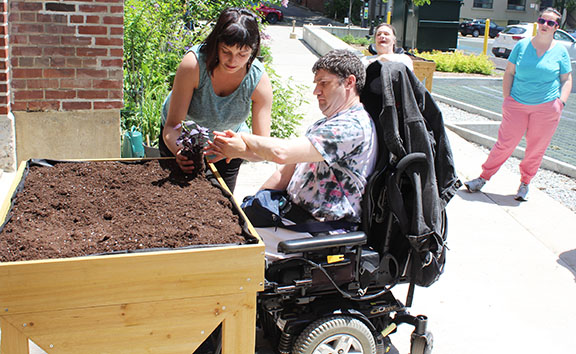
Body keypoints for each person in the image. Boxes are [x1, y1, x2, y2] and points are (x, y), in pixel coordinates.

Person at [206, 49, 378, 259]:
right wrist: (246, 210)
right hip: (295, 220)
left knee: (221, 247)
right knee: (226, 227)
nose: (316, 91)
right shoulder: (326, 124)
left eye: (323, 83)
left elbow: (282, 152)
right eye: (316, 84)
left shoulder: (352, 126)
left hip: (322, 234)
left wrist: (243, 139)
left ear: (349, 82)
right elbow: (283, 174)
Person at [159, 7, 273, 192]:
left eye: (242, 54)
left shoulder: (258, 81)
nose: (233, 61)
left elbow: (263, 147)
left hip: (226, 151)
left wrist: (239, 149)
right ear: (215, 44)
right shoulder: (194, 65)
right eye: (226, 51)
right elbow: (172, 126)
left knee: (220, 204)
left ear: (252, 51)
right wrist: (180, 152)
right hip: (183, 142)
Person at [465, 7, 572, 201]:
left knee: (536, 147)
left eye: (550, 23)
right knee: (505, 144)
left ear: (556, 27)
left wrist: (561, 102)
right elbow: (509, 73)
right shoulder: (522, 46)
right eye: (542, 21)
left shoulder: (560, 51)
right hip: (517, 104)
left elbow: (566, 78)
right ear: (537, 22)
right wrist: (507, 99)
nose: (545, 25)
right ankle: (483, 178)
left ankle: (525, 183)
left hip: (547, 106)